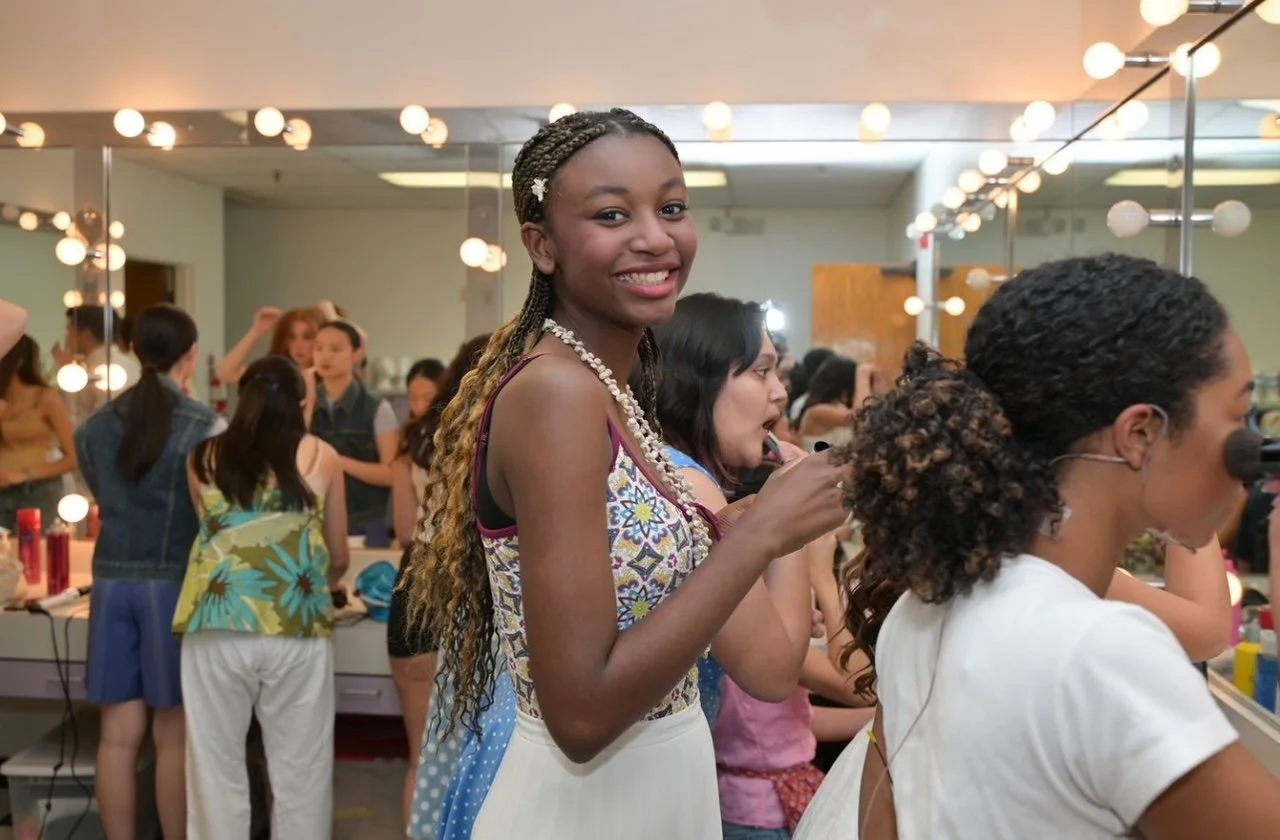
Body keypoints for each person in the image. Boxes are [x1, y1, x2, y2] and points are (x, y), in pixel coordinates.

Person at [402, 108, 848, 840]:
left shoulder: (605, 391)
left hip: (653, 788)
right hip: (590, 806)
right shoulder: (556, 393)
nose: (655, 235)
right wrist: (759, 535)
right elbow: (581, 713)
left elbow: (745, 651)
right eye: (613, 213)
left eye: (671, 207)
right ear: (542, 246)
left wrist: (742, 531)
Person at [803, 254, 1280, 840]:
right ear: (1141, 434)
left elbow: (881, 824)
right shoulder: (1103, 650)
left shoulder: (919, 613)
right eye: (1237, 416)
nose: (1248, 456)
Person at [646, 292, 874, 838]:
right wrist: (791, 531)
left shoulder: (661, 473)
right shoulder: (690, 487)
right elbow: (774, 672)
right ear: (695, 380)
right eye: (760, 371)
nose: (780, 390)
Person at [174, 355, 350, 840]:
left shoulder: (201, 458)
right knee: (301, 771)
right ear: (300, 402)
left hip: (216, 622)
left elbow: (213, 536)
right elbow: (337, 553)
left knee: (214, 766)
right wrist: (325, 576)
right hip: (296, 624)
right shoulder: (320, 455)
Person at [74, 304, 221, 840]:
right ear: (191, 355)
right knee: (172, 735)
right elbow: (211, 508)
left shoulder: (92, 426)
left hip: (111, 583)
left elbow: (99, 493)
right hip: (173, 586)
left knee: (116, 736)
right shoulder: (206, 425)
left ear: (133, 351)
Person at [389, 335, 488, 834]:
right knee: (475, 756)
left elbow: (405, 526)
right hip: (467, 589)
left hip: (414, 587)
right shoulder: (493, 434)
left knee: (420, 757)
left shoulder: (422, 435)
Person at [310, 320, 398, 532]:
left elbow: (391, 474)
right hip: (313, 518)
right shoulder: (304, 403)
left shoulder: (376, 407)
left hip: (366, 521)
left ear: (357, 354)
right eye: (319, 348)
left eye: (336, 349)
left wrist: (337, 461)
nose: (325, 356)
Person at [0, 335, 77, 532]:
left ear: (17, 361)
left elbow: (74, 457)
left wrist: (25, 475)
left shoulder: (45, 397)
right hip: (3, 490)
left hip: (37, 489)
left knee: (29, 553)